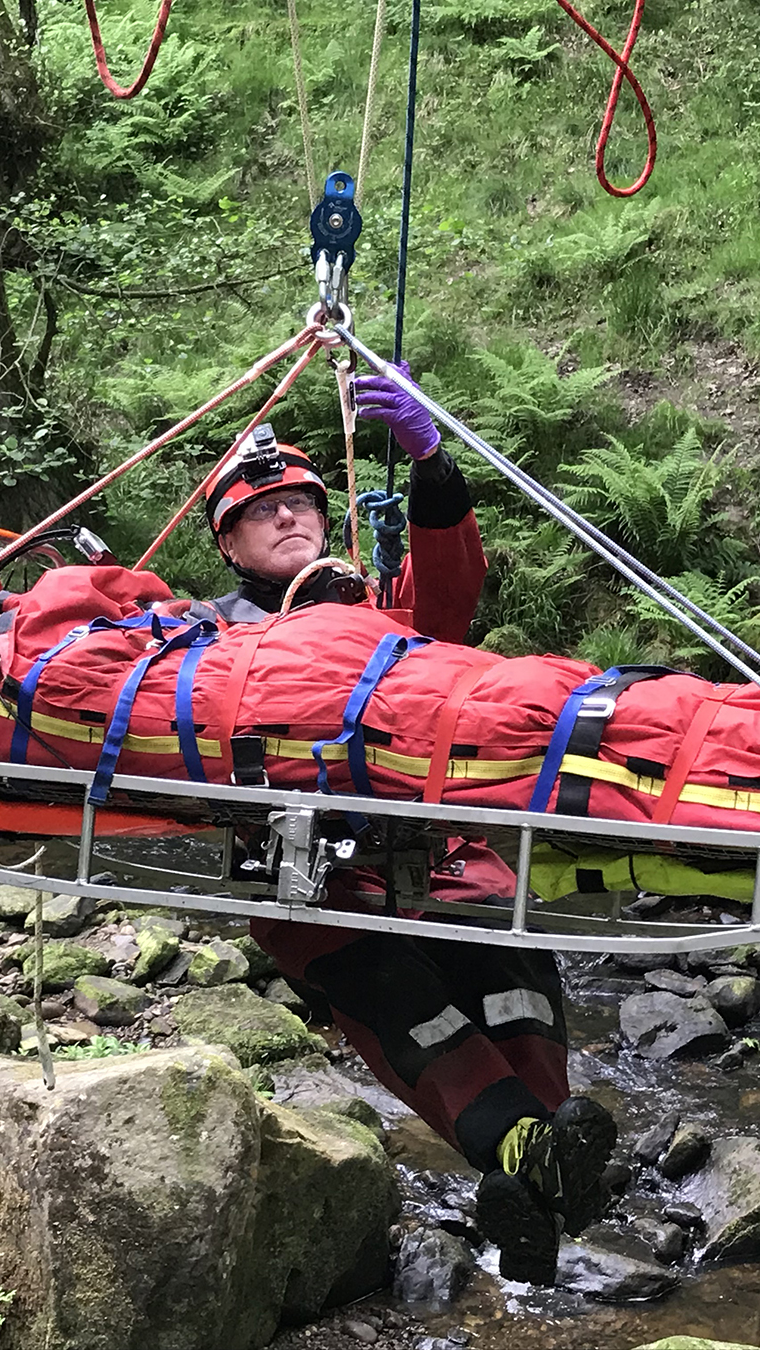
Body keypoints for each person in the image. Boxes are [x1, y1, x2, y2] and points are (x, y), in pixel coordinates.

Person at [166, 363, 617, 1286]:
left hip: (440, 854)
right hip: (310, 876)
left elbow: (451, 590)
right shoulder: (199, 635)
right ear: (228, 544)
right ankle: (538, 1163)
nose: (290, 516)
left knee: (514, 980)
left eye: (302, 502)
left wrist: (432, 465)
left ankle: (534, 1168)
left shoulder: (382, 614)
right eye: (264, 511)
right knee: (413, 1007)